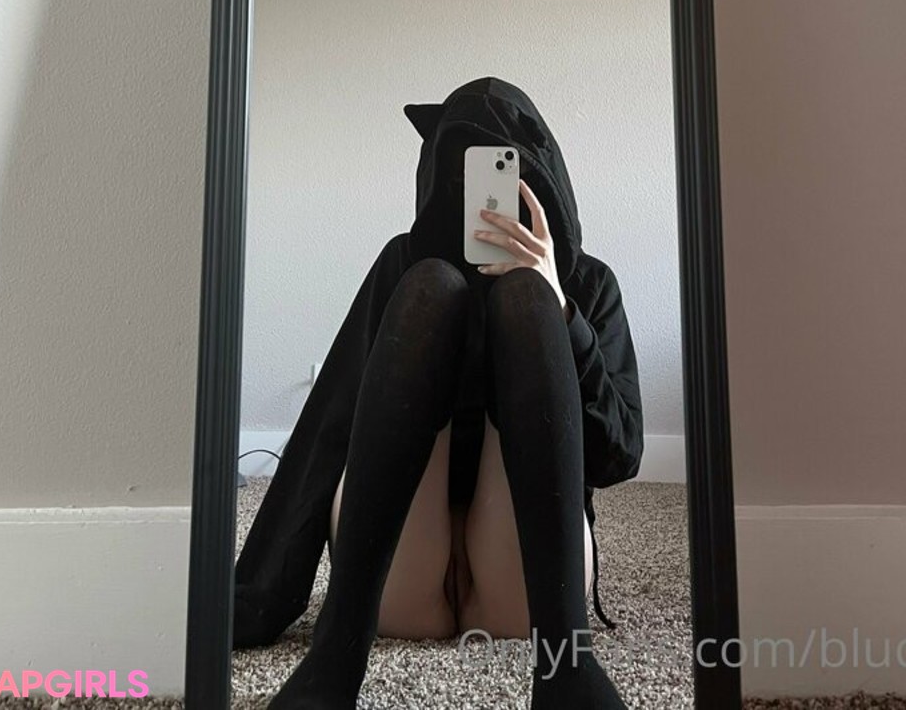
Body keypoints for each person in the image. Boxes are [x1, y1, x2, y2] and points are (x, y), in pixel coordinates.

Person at [234, 76, 643, 709]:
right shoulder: (403, 265)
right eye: (458, 178)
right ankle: (337, 654)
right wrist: (259, 596)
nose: (475, 196)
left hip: (524, 582)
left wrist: (562, 310)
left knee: (524, 300)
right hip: (404, 565)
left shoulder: (588, 284)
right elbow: (333, 421)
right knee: (431, 286)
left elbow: (621, 454)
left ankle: (567, 669)